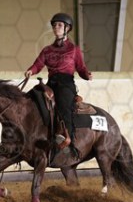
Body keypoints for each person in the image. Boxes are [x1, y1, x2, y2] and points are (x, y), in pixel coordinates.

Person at [24, 13, 93, 153]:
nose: (56, 27)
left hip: (66, 83)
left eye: (60, 25)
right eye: (54, 25)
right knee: (33, 96)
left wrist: (87, 75)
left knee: (63, 104)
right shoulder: (47, 50)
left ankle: (67, 140)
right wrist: (31, 70)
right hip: (51, 83)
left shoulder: (74, 49)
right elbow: (38, 64)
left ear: (67, 28)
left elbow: (81, 67)